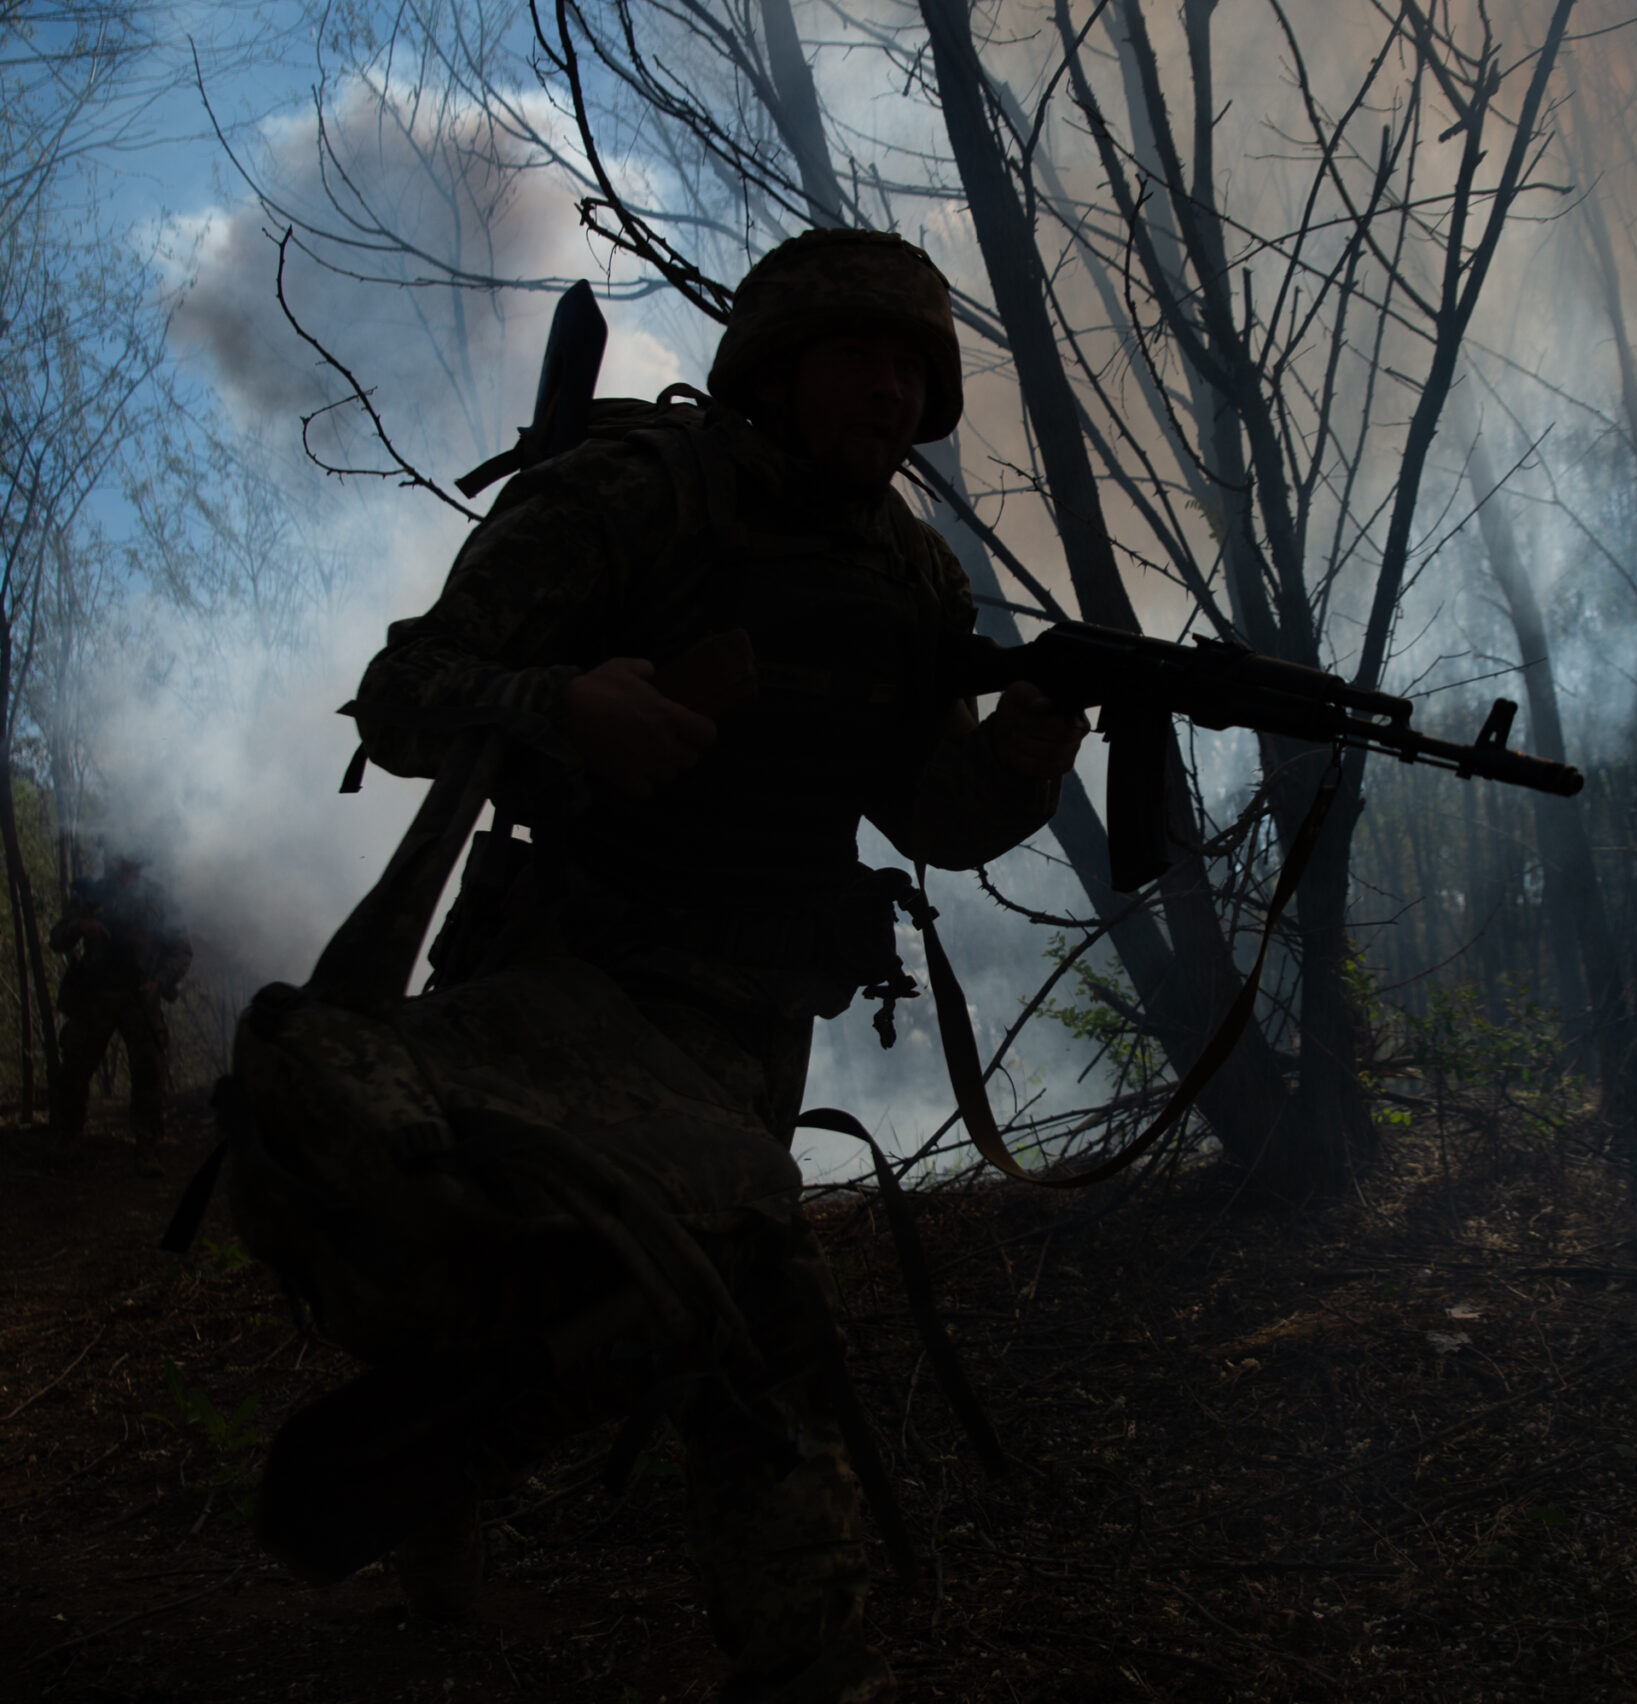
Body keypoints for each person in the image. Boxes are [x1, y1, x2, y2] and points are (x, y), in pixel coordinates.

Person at [278, 229, 1086, 1703]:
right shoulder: (639, 495)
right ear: (774, 367)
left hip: (741, 1032)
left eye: (914, 366)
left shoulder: (908, 575)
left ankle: (459, 1486)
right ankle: (799, 1658)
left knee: (663, 1321)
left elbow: (933, 814)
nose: (891, 393)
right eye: (860, 356)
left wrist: (1025, 763)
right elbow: (404, 694)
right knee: (667, 1304)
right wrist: (558, 704)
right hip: (560, 985)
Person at [50, 853, 191, 1173]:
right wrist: (80, 926)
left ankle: (147, 1147)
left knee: (149, 1072)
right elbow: (56, 938)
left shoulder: (158, 899)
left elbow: (182, 950)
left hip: (140, 998)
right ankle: (67, 1139)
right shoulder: (92, 894)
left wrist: (160, 981)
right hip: (94, 996)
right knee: (74, 1068)